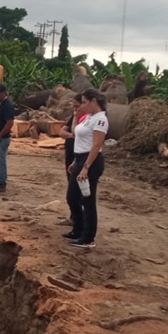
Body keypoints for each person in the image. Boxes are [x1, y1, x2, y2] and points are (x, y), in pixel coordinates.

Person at [63, 89, 109, 249]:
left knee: (87, 200)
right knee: (72, 197)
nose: (82, 105)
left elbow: (96, 145)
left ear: (93, 101)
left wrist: (86, 167)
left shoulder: (101, 120)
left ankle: (88, 237)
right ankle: (78, 230)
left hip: (91, 161)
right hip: (80, 158)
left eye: (84, 102)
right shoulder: (89, 118)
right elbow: (76, 134)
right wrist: (76, 161)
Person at [56, 93, 86, 227]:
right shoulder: (74, 117)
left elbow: (74, 134)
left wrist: (71, 135)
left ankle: (79, 221)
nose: (75, 109)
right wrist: (71, 136)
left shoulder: (86, 119)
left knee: (77, 191)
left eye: (77, 106)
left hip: (80, 158)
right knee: (72, 188)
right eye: (73, 107)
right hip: (71, 157)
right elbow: (61, 132)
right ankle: (74, 217)